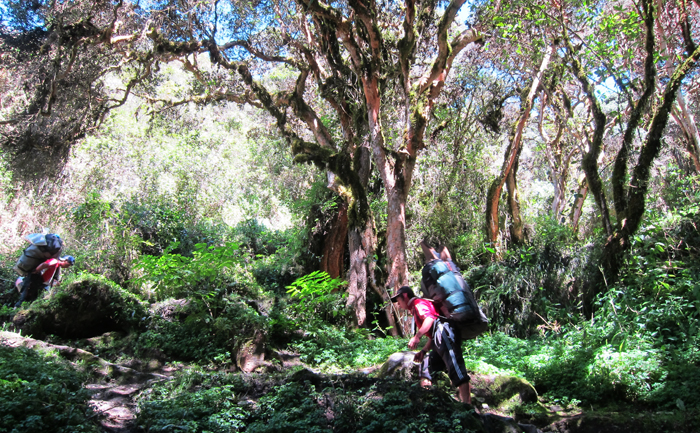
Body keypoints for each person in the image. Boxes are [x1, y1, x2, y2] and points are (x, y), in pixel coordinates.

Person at [391, 285, 472, 404]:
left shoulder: (418, 303)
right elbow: (433, 334)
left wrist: (417, 336)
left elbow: (430, 319)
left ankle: (467, 405)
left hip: (445, 331)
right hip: (440, 335)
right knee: (427, 365)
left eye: (398, 300)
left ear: (405, 296)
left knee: (455, 366)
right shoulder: (415, 308)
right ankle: (428, 400)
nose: (398, 304)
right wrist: (423, 351)